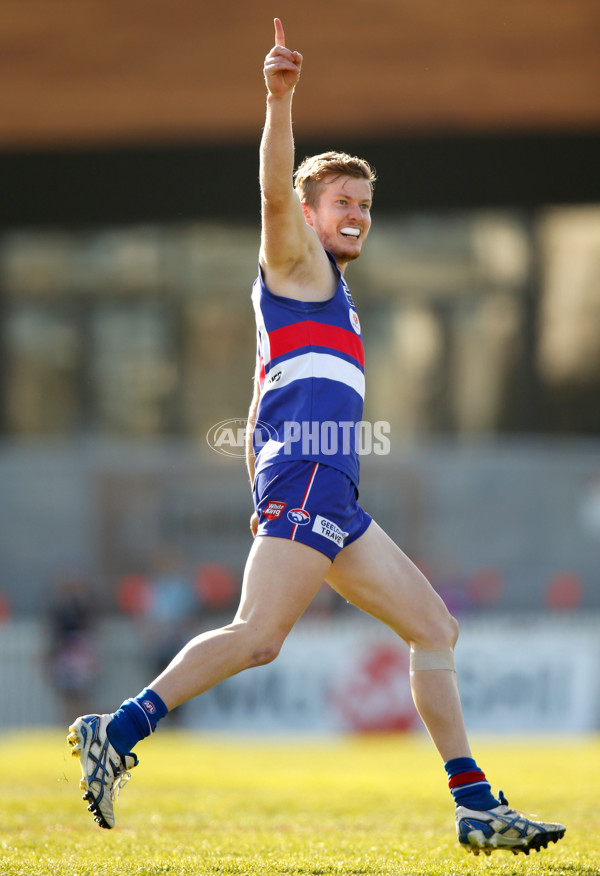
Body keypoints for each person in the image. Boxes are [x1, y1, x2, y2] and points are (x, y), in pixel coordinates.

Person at [68, 19, 566, 856]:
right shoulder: (295, 261)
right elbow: (270, 195)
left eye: (366, 206)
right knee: (260, 637)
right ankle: (116, 731)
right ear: (308, 214)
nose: (359, 216)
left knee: (435, 630)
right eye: (344, 203)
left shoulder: (332, 290)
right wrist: (279, 98)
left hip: (331, 489)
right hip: (305, 477)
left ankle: (476, 805)